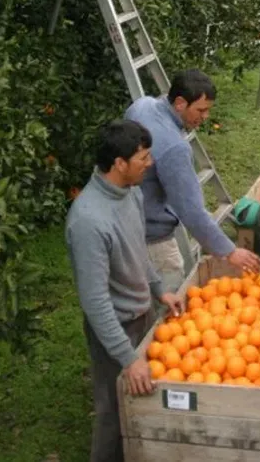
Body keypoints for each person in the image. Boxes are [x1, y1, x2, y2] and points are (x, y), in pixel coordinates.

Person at [65, 119, 184, 462]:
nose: (150, 163)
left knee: (143, 400)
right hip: (113, 329)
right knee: (112, 412)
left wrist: (159, 289)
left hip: (142, 312)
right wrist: (127, 357)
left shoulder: (131, 192)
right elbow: (95, 301)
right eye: (144, 157)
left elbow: (137, 247)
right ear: (119, 164)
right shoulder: (88, 221)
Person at [125, 69, 260, 292]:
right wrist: (229, 251)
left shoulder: (142, 105)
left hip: (126, 223)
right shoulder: (174, 147)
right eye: (201, 110)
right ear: (180, 103)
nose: (205, 117)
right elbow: (190, 210)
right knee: (169, 306)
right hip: (152, 238)